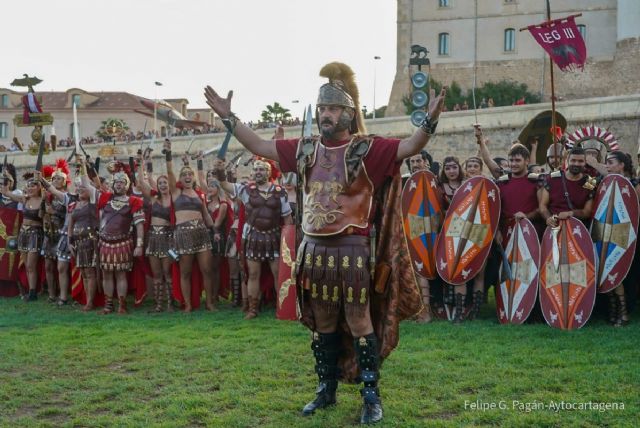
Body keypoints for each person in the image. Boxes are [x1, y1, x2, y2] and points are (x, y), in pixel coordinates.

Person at [204, 61, 445, 424]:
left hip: (351, 251)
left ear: (349, 113)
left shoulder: (368, 149)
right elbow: (257, 143)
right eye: (322, 109)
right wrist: (229, 117)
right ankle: (325, 389)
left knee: (361, 321)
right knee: (324, 323)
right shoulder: (304, 149)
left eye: (333, 109)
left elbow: (411, 146)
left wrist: (428, 121)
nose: (326, 115)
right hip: (313, 251)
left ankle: (370, 396)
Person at [214, 157, 292, 319]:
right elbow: (226, 185)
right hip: (254, 237)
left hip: (274, 237)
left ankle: (282, 307)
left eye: (261, 169)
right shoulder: (245, 190)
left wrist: (289, 242)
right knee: (253, 274)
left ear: (268, 172)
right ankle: (252, 308)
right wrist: (220, 171)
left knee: (279, 274)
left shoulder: (280, 192)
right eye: (256, 170)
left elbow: (288, 220)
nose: (258, 172)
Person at [80, 159, 145, 314]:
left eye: (122, 182)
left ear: (127, 185)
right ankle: (108, 305)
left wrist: (140, 245)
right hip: (105, 243)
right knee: (107, 275)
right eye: (116, 182)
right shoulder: (105, 198)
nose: (119, 185)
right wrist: (82, 165)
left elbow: (139, 225)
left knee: (121, 275)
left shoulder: (134, 201)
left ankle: (122, 305)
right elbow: (87, 185)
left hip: (123, 243)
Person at [164, 139, 217, 312]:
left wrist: (215, 230)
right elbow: (169, 172)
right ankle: (187, 305)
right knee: (185, 272)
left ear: (193, 177)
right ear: (180, 179)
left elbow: (206, 215)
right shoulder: (176, 192)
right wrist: (169, 155)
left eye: (190, 174)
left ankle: (209, 303)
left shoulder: (198, 194)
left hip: (202, 233)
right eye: (184, 175)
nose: (187, 177)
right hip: (183, 234)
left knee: (207, 270)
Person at [137, 153, 174, 312]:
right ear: (157, 186)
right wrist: (141, 164)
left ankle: (170, 304)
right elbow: (141, 182)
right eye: (160, 183)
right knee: (157, 273)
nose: (163, 185)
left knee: (168, 273)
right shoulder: (154, 198)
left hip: (167, 238)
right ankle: (159, 304)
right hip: (153, 237)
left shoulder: (174, 199)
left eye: (165, 182)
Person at [2, 172, 44, 301]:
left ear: (39, 187)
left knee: (31, 265)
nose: (30, 188)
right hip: (23, 233)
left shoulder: (43, 200)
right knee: (26, 265)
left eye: (33, 186)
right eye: (29, 186)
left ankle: (33, 292)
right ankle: (30, 290)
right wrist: (6, 182)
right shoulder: (25, 198)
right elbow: (7, 194)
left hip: (35, 234)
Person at [40, 160, 73, 306]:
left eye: (59, 178)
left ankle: (63, 295)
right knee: (48, 266)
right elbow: (40, 215)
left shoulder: (68, 197)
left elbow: (70, 215)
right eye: (53, 178)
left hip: (62, 234)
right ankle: (52, 294)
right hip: (49, 234)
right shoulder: (47, 197)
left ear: (65, 181)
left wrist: (54, 213)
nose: (55, 180)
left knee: (62, 267)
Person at [67, 162, 100, 311]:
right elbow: (71, 223)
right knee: (84, 273)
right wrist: (69, 241)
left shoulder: (93, 202)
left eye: (83, 187)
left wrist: (83, 166)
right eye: (78, 187)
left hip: (90, 241)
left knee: (90, 273)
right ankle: (88, 300)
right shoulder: (76, 205)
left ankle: (90, 302)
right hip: (78, 242)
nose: (80, 189)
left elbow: (89, 183)